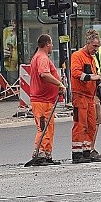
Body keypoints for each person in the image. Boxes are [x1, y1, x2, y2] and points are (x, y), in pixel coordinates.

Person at [28, 34, 66, 166]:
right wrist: (59, 84)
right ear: (47, 44)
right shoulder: (42, 58)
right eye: (51, 44)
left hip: (45, 100)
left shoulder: (38, 57)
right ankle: (40, 153)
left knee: (48, 128)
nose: (52, 46)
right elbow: (44, 74)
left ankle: (46, 153)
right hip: (41, 100)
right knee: (43, 128)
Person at [70, 29, 101, 163]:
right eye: (94, 46)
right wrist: (92, 77)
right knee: (80, 124)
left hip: (89, 96)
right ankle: (77, 154)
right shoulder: (78, 56)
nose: (96, 49)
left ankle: (86, 151)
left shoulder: (91, 58)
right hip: (80, 96)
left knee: (91, 125)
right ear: (88, 43)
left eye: (98, 46)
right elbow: (76, 73)